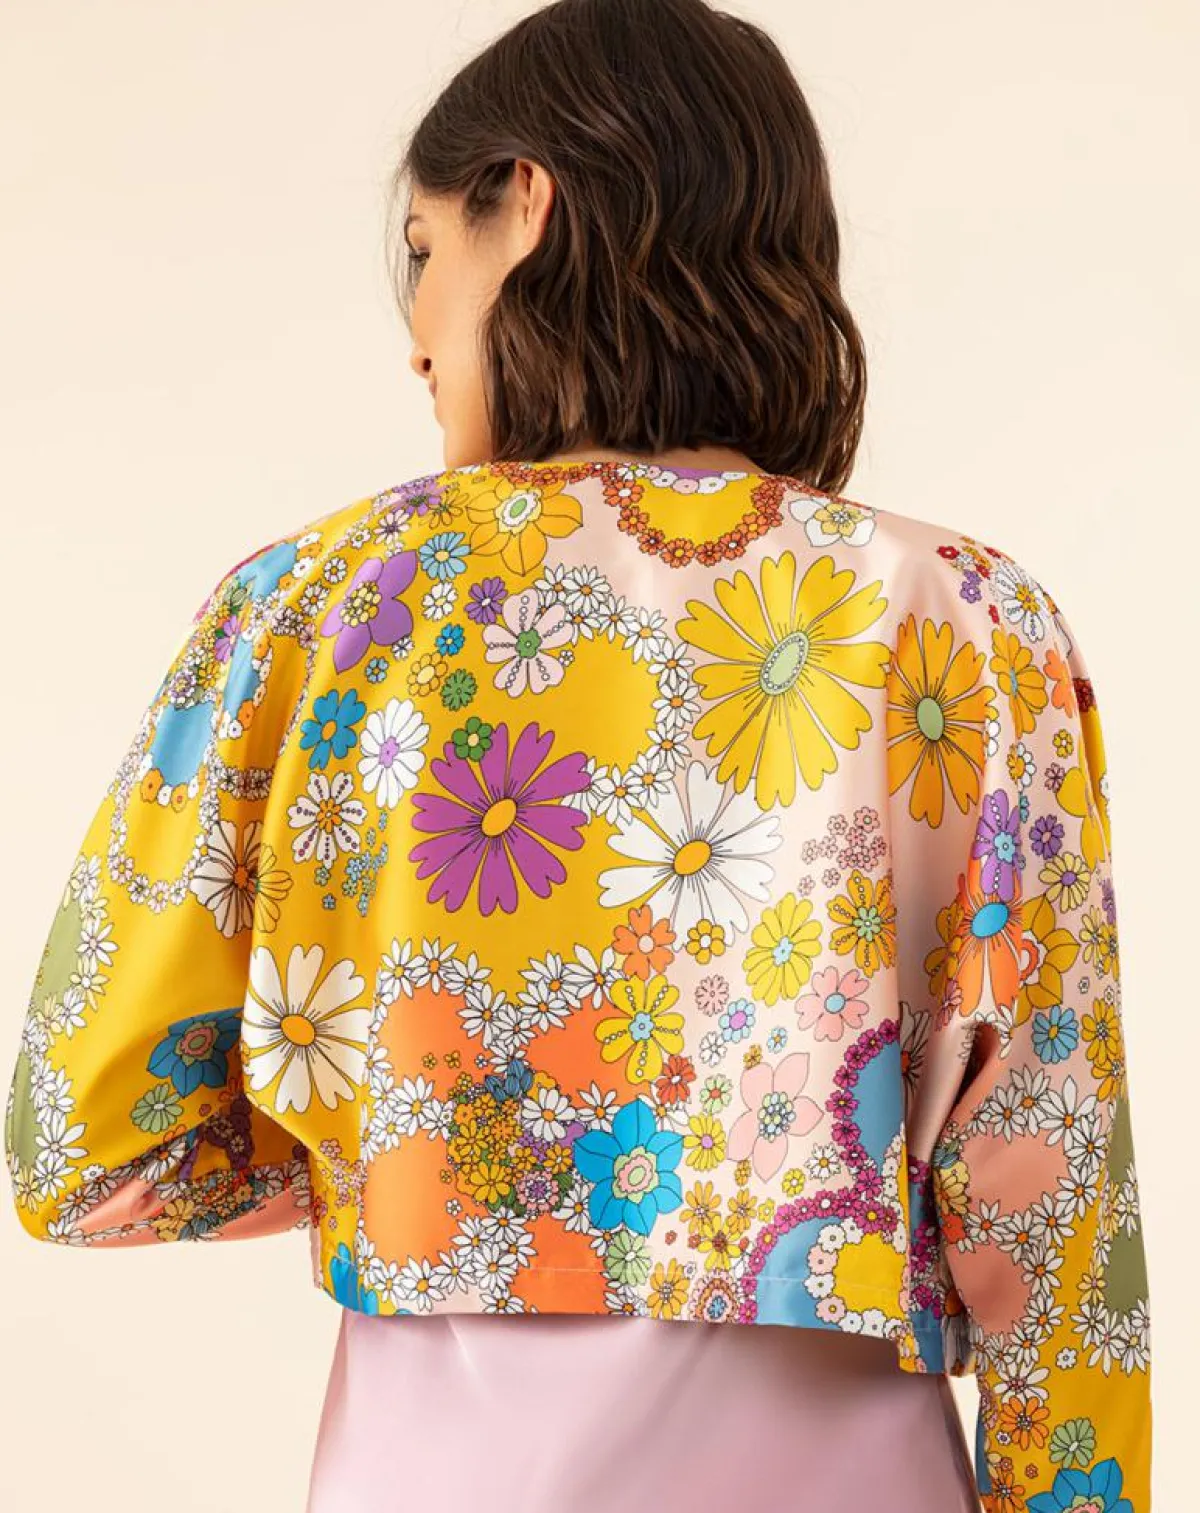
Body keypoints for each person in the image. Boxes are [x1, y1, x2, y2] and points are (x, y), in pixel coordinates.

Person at [4, 2, 1152, 1510]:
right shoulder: (968, 620)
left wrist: (408, 1147)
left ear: (528, 202)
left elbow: (80, 1142)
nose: (416, 336)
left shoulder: (317, 607)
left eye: (423, 249)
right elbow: (1053, 1196)